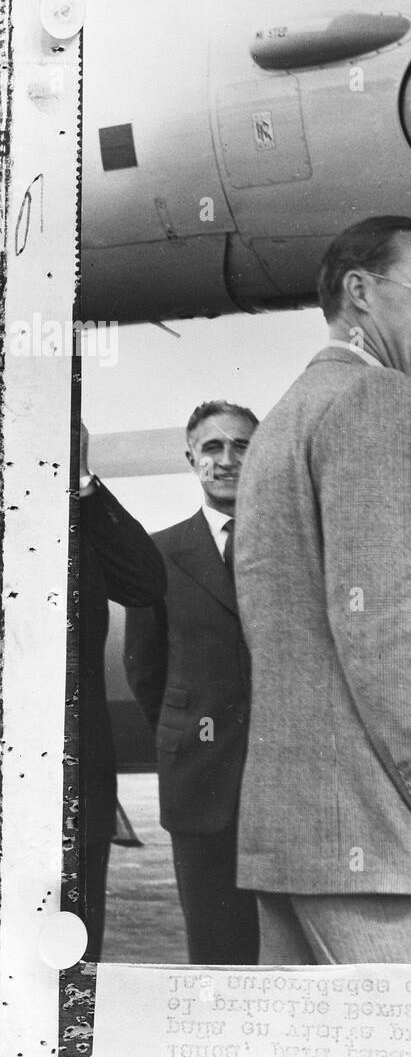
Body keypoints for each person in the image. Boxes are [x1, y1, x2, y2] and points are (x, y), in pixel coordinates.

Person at [233, 215, 411, 965]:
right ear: (360, 291)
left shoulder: (285, 418)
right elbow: (382, 636)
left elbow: (311, 620)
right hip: (391, 840)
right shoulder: (375, 400)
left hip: (302, 836)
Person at [123, 401, 260, 964]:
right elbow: (145, 670)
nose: (227, 460)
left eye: (241, 447)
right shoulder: (158, 553)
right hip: (199, 781)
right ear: (191, 459)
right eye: (212, 448)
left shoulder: (294, 544)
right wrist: (187, 738)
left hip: (284, 780)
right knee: (215, 945)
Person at [77, 423, 167, 962]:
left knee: (74, 956)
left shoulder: (73, 514)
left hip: (77, 778)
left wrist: (83, 478)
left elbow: (144, 582)